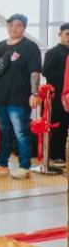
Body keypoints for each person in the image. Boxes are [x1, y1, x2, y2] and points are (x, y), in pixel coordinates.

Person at [0, 14, 42, 179]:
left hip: (19, 98)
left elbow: (35, 72)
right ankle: (1, 163)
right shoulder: (1, 46)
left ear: (24, 27)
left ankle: (25, 166)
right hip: (1, 97)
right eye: (10, 25)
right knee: (3, 131)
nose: (13, 29)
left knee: (21, 132)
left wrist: (35, 93)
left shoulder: (30, 47)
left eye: (17, 25)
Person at [42, 23, 69, 164]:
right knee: (59, 125)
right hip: (57, 95)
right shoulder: (54, 52)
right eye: (67, 34)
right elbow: (46, 71)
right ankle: (55, 155)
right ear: (60, 34)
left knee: (65, 126)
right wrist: (66, 76)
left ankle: (62, 155)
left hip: (67, 96)